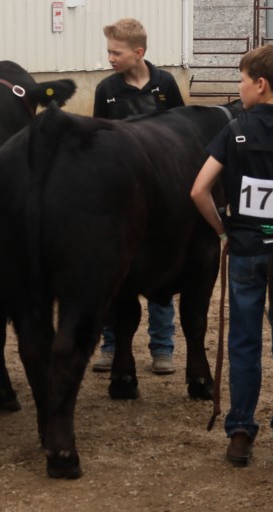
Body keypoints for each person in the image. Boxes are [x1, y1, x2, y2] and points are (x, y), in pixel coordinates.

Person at [190, 44, 273, 470]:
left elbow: (198, 190)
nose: (239, 87)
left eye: (242, 80)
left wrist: (222, 229)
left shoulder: (234, 131)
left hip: (245, 250)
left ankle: (241, 431)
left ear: (260, 85)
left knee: (243, 342)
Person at [90, 17, 185, 376]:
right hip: (120, 196)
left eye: (116, 52)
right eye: (109, 51)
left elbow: (180, 131)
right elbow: (100, 140)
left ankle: (162, 348)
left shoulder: (165, 85)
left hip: (161, 195)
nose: (110, 57)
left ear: (138, 52)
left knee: (161, 273)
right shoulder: (106, 90)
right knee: (116, 275)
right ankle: (111, 346)